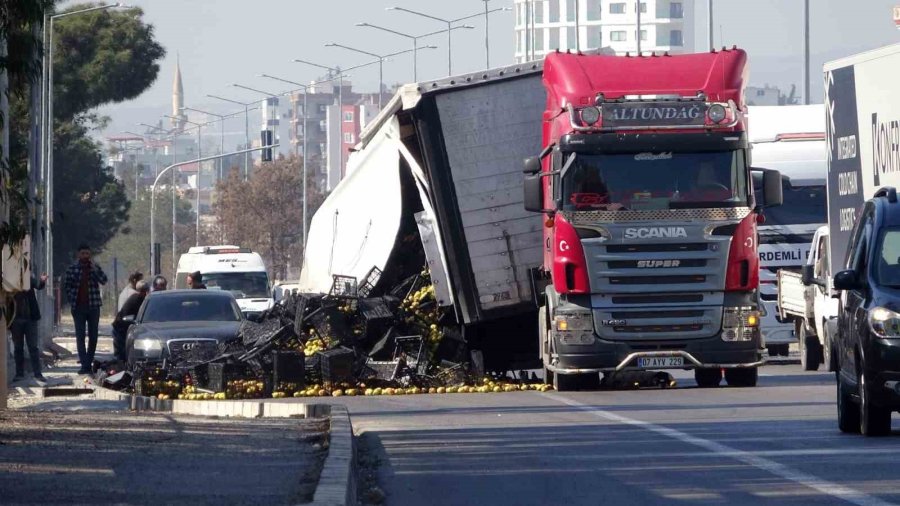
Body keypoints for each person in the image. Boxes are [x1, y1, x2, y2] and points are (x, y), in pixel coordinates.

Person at [63, 244, 108, 374]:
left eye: (87, 254)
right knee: (80, 336)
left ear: (90, 255)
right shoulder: (73, 269)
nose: (85, 256)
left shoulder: (94, 268)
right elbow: (67, 286)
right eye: (83, 253)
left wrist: (94, 269)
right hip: (78, 307)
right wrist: (73, 300)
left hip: (93, 306)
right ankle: (84, 365)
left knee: (93, 336)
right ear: (78, 255)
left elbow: (104, 280)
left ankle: (89, 361)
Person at [10, 273, 49, 383]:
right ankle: (19, 374)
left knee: (33, 347)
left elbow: (38, 285)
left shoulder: (28, 279)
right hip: (16, 319)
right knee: (18, 348)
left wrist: (42, 281)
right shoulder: (10, 280)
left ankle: (37, 374)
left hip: (30, 319)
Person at [112, 280, 149, 361]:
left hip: (125, 328)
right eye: (145, 290)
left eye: (147, 290)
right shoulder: (137, 299)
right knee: (122, 356)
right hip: (120, 328)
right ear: (141, 291)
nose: (146, 293)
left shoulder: (140, 299)